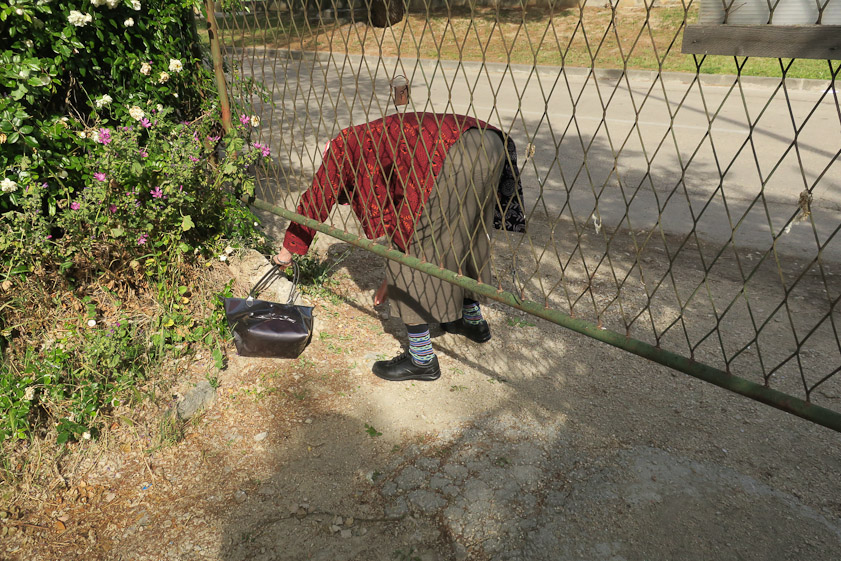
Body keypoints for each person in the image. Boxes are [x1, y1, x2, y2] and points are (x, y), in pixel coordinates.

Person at [273, 112, 525, 381]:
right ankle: (471, 321)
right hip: (489, 141)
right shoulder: (375, 134)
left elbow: (316, 201)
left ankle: (422, 358)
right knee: (468, 232)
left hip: (448, 154)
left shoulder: (341, 148)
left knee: (410, 251)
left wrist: (286, 253)